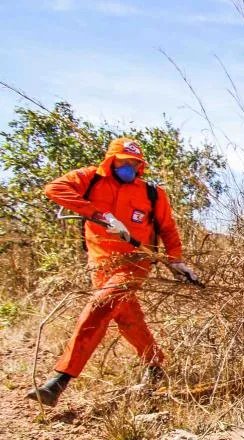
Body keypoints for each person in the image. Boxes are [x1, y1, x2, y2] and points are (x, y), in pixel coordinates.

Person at [26, 137, 198, 406]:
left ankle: (60, 379)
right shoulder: (90, 179)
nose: (130, 168)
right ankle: (154, 365)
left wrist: (176, 261)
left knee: (100, 305)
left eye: (135, 163)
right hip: (100, 264)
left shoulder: (152, 193)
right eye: (124, 162)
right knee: (126, 316)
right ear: (111, 162)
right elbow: (54, 188)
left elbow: (168, 228)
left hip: (135, 262)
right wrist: (99, 215)